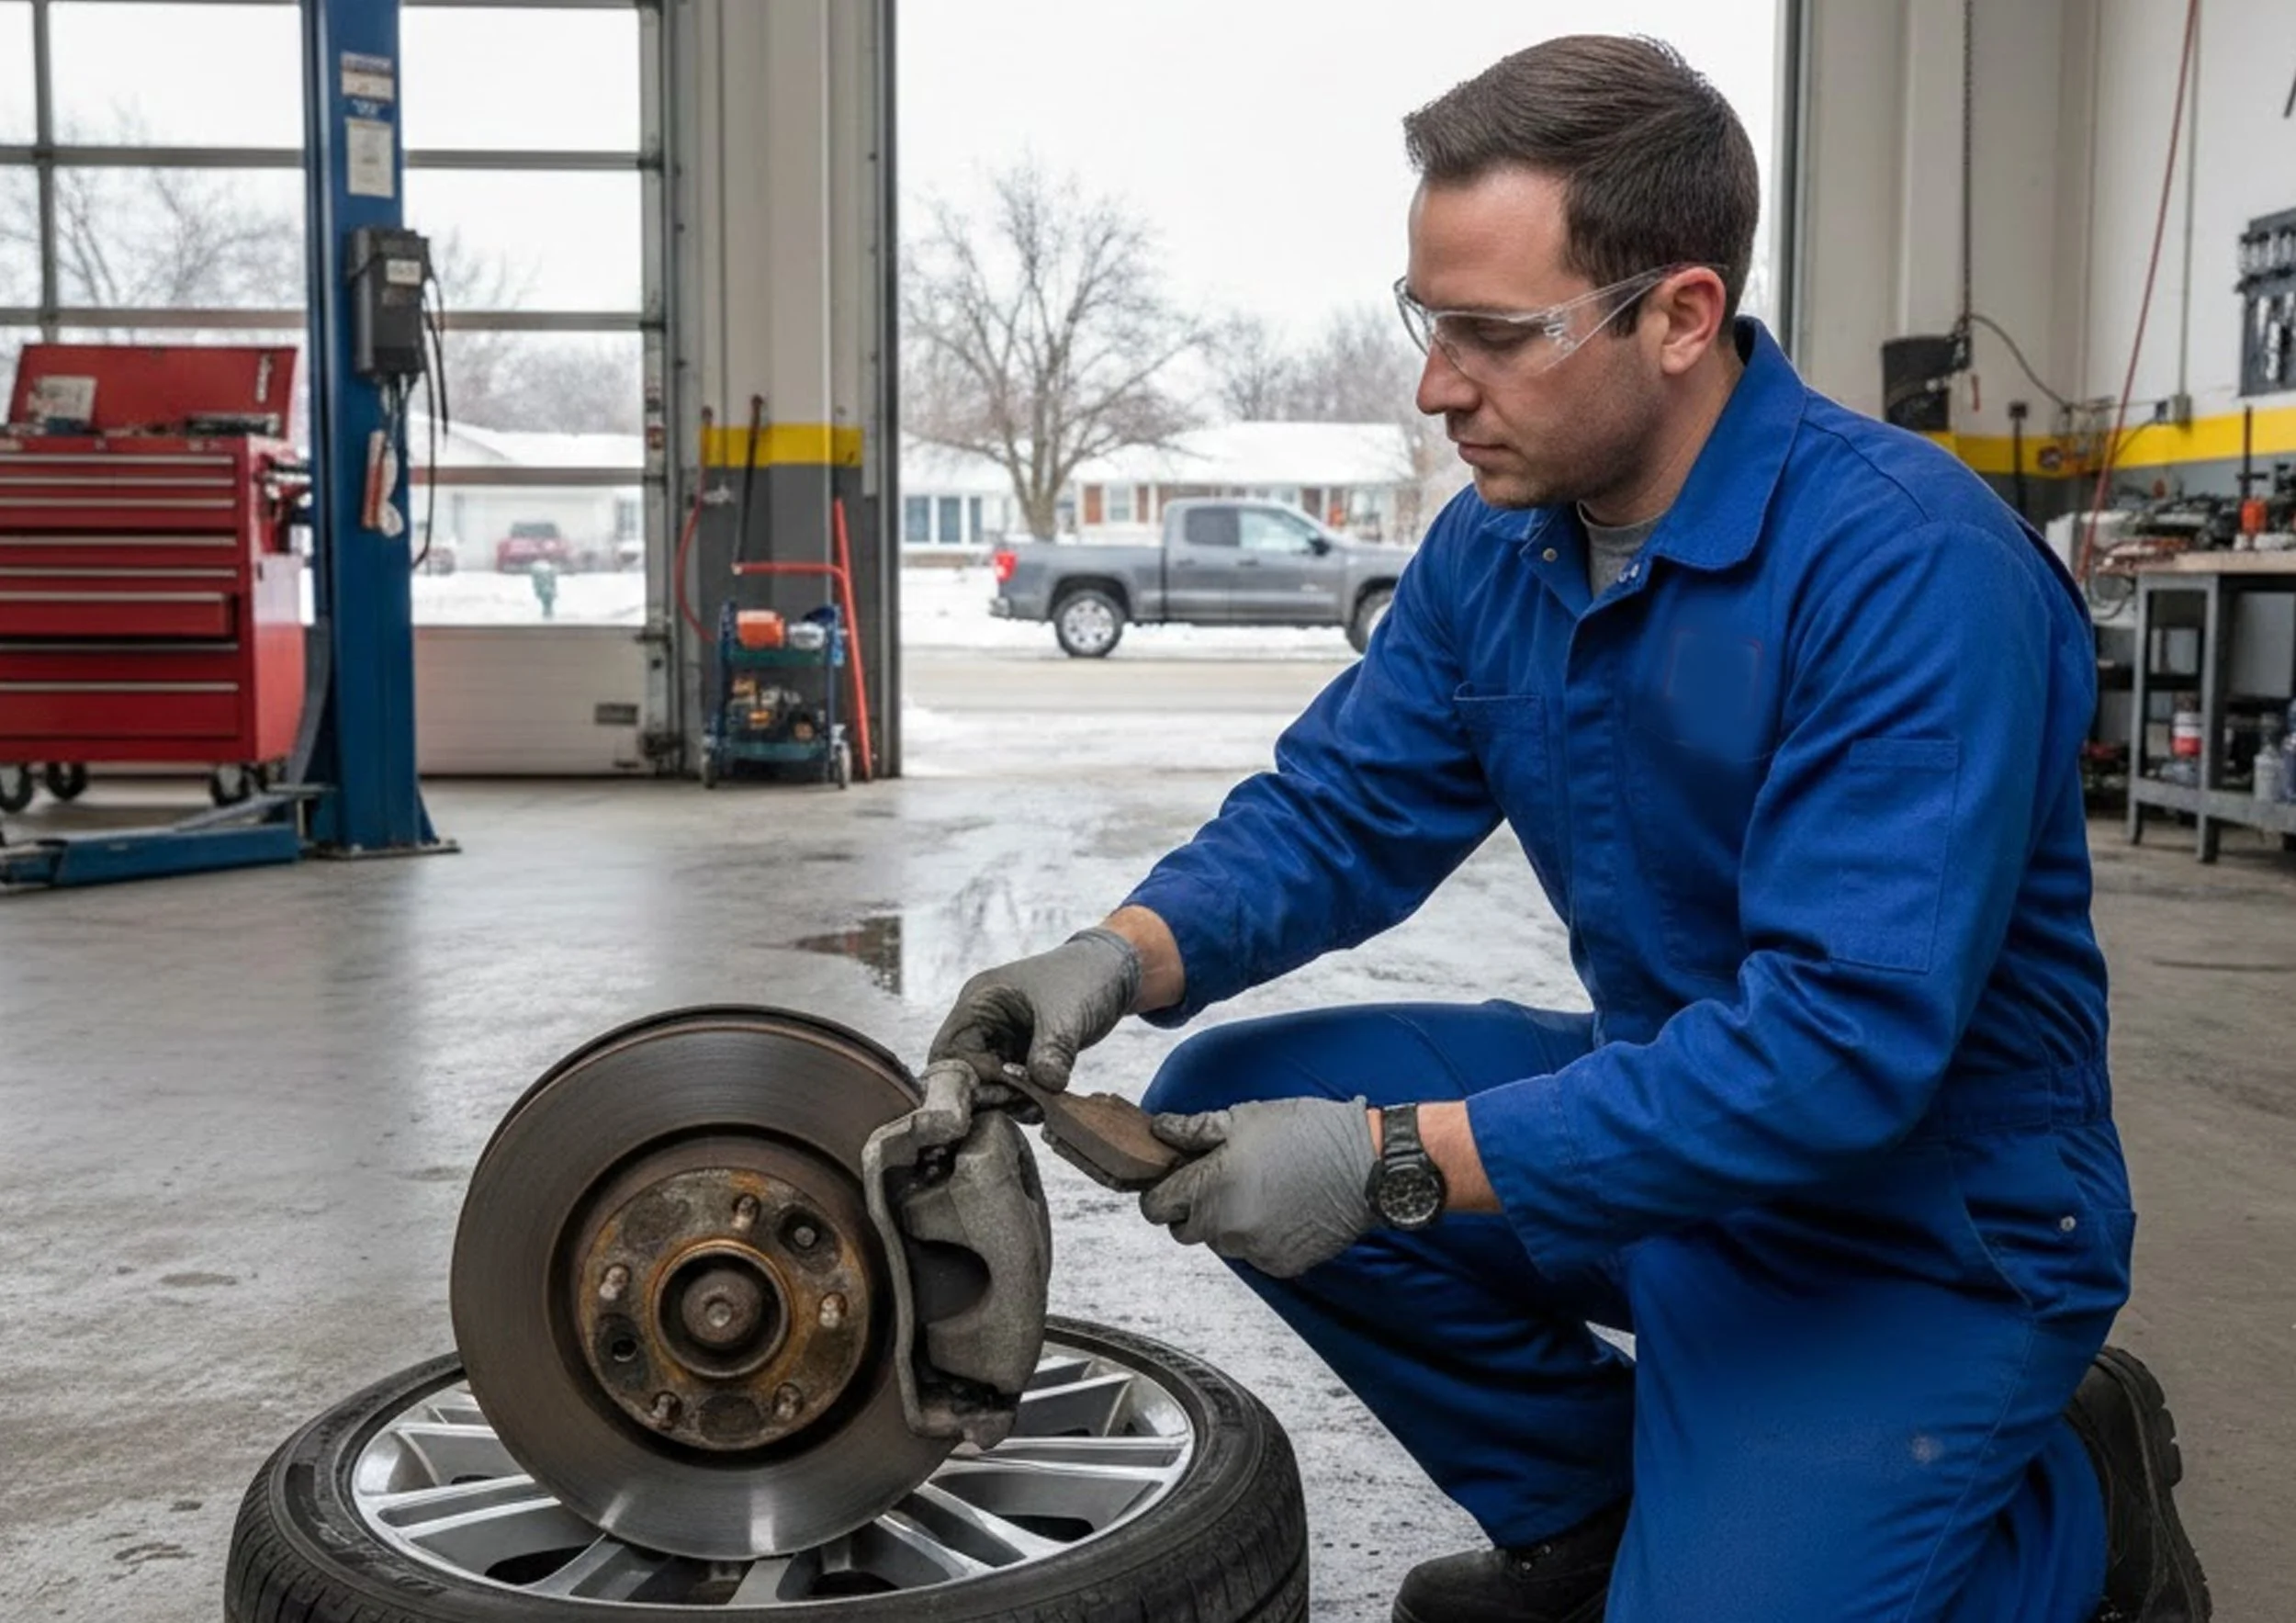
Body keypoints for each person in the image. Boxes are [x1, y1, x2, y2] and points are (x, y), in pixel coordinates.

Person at [930, 35, 2210, 1623]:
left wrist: (1398, 1159)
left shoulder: (1909, 571)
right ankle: (1594, 1517)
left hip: (1915, 1218)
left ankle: (2074, 1515)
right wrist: (1113, 956)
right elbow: (1343, 810)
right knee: (1228, 1092)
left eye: (1491, 333)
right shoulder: (1503, 549)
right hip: (1664, 1127)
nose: (1433, 383)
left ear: (1680, 315)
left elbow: (1838, 1050)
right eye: (1426, 318)